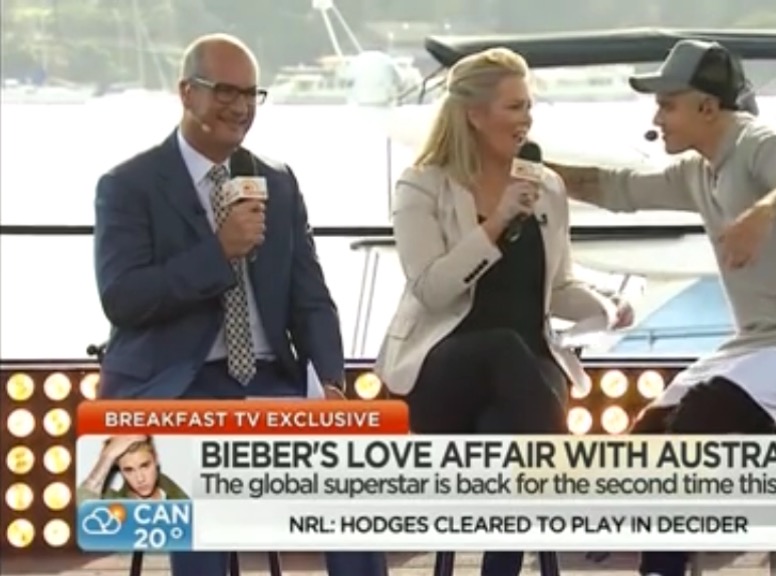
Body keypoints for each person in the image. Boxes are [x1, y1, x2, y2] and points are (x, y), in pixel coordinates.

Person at [546, 40, 776, 576]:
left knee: (701, 417)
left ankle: (664, 559)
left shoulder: (759, 141)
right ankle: (634, 542)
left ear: (708, 107)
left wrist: (762, 213)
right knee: (654, 426)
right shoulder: (698, 170)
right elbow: (617, 187)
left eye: (667, 105)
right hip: (758, 345)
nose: (657, 118)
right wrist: (528, 168)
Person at [92, 33, 387, 576]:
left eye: (251, 94)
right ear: (187, 93)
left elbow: (312, 298)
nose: (241, 107)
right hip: (174, 383)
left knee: (351, 462)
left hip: (272, 380)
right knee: (204, 463)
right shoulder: (129, 185)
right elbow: (123, 299)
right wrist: (218, 252)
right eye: (225, 91)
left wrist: (331, 382)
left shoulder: (276, 180)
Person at [375, 47, 632, 576]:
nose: (527, 119)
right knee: (501, 347)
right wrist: (495, 224)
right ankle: (578, 494)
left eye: (529, 106)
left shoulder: (547, 187)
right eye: (514, 107)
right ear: (475, 114)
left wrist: (607, 305)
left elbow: (558, 287)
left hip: (527, 380)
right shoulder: (422, 185)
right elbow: (431, 290)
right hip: (443, 373)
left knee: (512, 442)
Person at [77, 436, 188, 501]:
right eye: (129, 470)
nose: (140, 479)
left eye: (145, 466)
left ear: (156, 459)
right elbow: (81, 510)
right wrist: (107, 457)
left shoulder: (180, 499)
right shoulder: (113, 504)